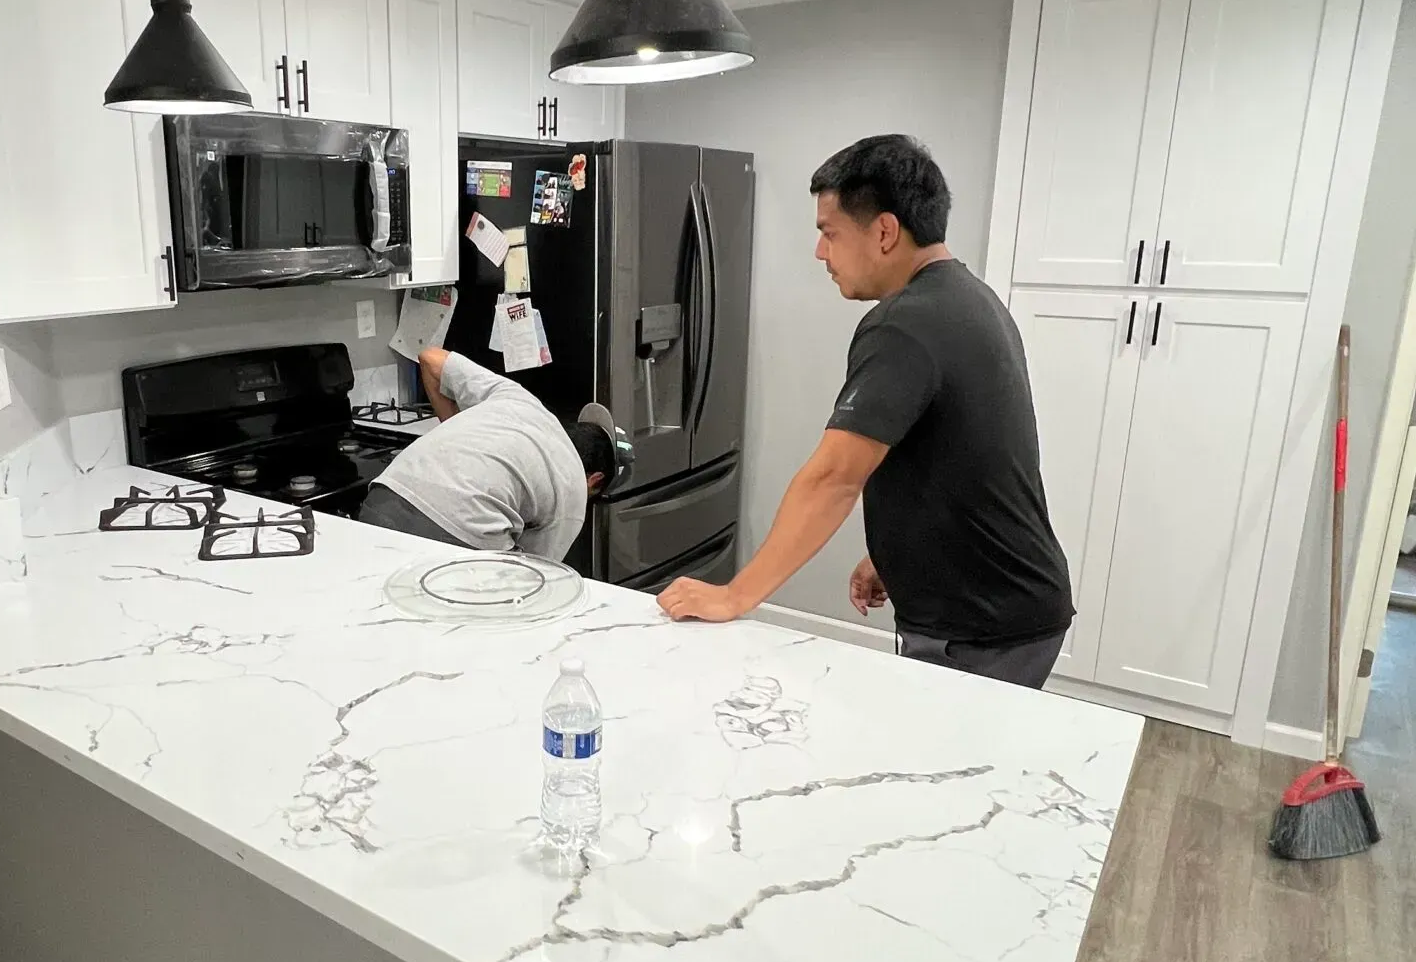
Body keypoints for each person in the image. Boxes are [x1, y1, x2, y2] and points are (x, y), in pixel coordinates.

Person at [658, 133, 1073, 688]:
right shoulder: (967, 298)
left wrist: (735, 594)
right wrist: (894, 554)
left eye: (829, 233)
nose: (820, 253)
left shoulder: (905, 323)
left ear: (884, 231)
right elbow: (963, 451)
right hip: (1007, 606)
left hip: (982, 626)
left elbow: (833, 478)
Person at [358, 343, 621, 559]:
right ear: (594, 479)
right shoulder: (573, 486)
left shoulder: (518, 398)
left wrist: (460, 438)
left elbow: (430, 358)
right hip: (458, 533)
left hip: (383, 499)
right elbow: (539, 573)